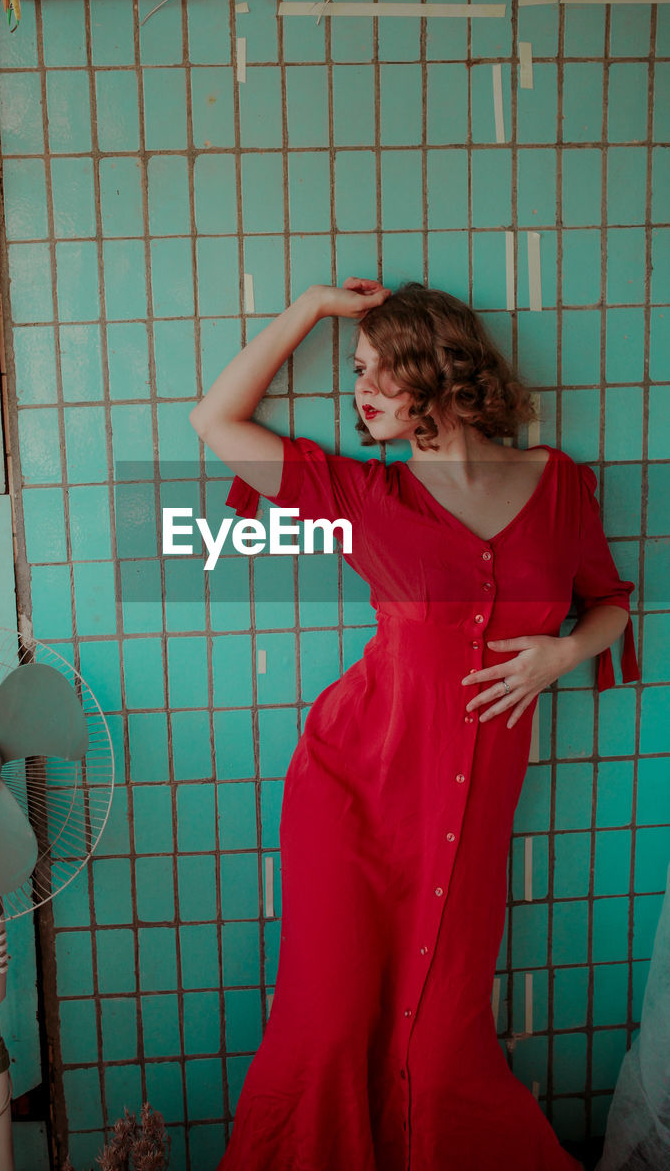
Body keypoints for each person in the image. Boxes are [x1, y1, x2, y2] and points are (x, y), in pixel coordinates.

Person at [189, 278, 640, 1171]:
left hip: (470, 805)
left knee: (438, 1048)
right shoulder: (362, 493)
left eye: (375, 372)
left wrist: (558, 656)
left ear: (437, 371)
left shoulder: (561, 486)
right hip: (350, 787)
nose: (356, 392)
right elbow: (216, 422)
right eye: (352, 371)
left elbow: (609, 606)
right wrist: (311, 310)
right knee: (324, 1027)